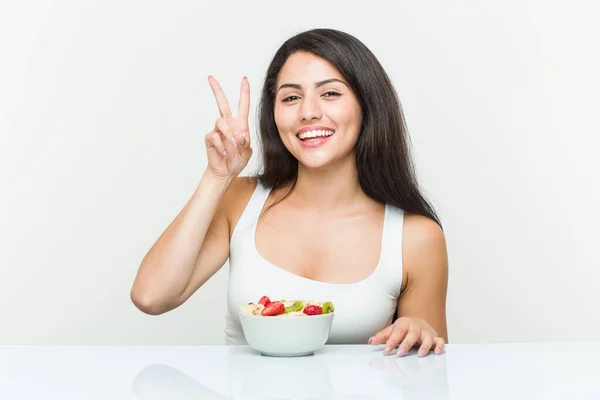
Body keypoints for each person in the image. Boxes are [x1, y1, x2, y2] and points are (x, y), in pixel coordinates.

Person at [130, 28, 449, 358]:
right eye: (291, 97)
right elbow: (151, 296)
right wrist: (217, 176)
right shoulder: (241, 200)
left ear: (367, 105)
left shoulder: (416, 237)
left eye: (330, 94)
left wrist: (420, 330)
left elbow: (427, 369)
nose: (308, 112)